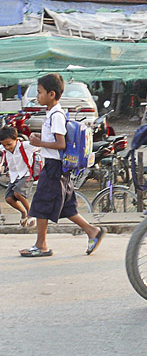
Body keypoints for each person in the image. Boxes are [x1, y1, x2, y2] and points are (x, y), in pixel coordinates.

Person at [19, 73, 105, 258]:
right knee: (66, 207)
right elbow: (55, 140)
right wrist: (39, 139)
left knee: (41, 204)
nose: (37, 97)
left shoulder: (56, 115)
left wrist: (39, 143)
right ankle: (92, 231)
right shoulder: (52, 113)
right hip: (57, 167)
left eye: (40, 92)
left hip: (54, 168)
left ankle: (41, 246)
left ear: (51, 94)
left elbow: (61, 144)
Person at [0, 126, 38, 228]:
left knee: (18, 193)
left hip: (26, 174)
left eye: (9, 144)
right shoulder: (4, 148)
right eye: (4, 145)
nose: (7, 147)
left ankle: (31, 213)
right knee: (8, 198)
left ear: (16, 140)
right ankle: (23, 213)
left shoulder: (26, 146)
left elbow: (41, 145)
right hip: (14, 176)